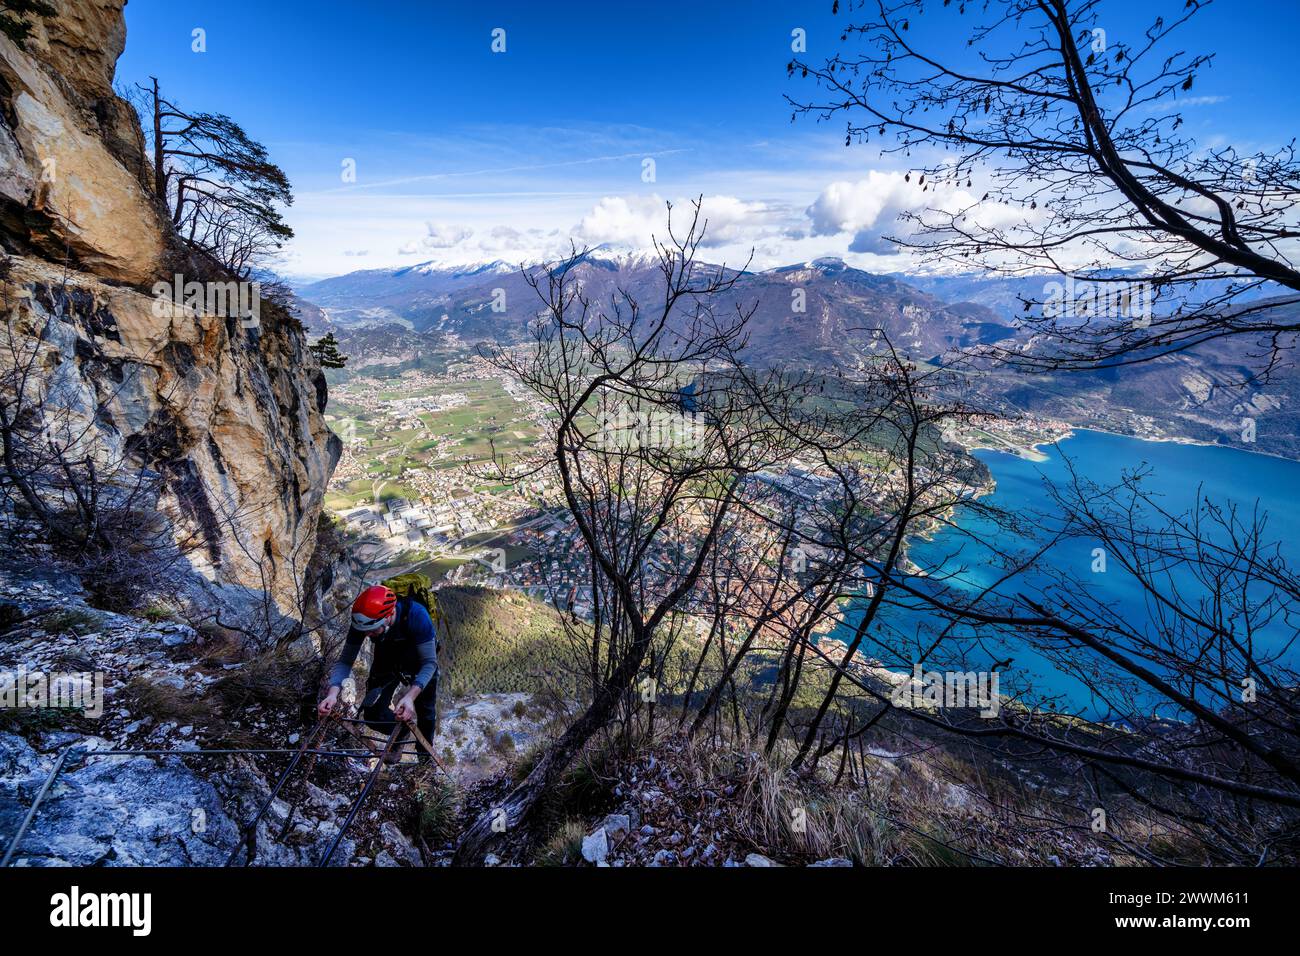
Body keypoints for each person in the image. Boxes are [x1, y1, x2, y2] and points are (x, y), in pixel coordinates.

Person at [318, 585, 438, 761]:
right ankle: (402, 731)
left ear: (388, 616)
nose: (367, 635)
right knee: (373, 714)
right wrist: (332, 693)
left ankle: (424, 762)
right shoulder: (362, 623)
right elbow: (345, 661)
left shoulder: (416, 615)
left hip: (419, 662)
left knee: (426, 713)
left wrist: (410, 696)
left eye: (373, 630)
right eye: (364, 632)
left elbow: (429, 663)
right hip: (387, 659)